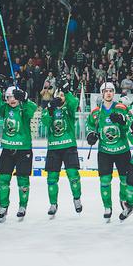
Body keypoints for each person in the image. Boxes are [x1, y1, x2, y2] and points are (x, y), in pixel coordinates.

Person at [0, 77, 38, 222]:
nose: (12, 99)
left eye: (14, 96)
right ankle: (3, 206)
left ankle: (22, 206)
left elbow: (33, 108)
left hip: (24, 150)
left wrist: (25, 98)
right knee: (3, 179)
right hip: (7, 149)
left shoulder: (24, 108)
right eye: (9, 97)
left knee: (23, 179)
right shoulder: (4, 109)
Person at [85, 82, 131, 222]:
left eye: (111, 91)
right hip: (104, 151)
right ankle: (107, 207)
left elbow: (130, 124)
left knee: (125, 180)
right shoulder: (96, 112)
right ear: (102, 93)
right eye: (106, 91)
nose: (109, 93)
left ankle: (123, 201)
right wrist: (91, 136)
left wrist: (122, 120)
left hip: (122, 150)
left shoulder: (121, 108)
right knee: (105, 180)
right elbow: (90, 127)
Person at [41, 81, 82, 217]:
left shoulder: (69, 108)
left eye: (62, 95)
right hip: (53, 148)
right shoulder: (49, 109)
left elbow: (74, 102)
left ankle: (77, 199)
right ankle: (53, 204)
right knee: (52, 178)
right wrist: (50, 109)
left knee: (73, 176)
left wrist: (68, 92)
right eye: (58, 95)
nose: (60, 97)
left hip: (69, 146)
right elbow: (45, 122)